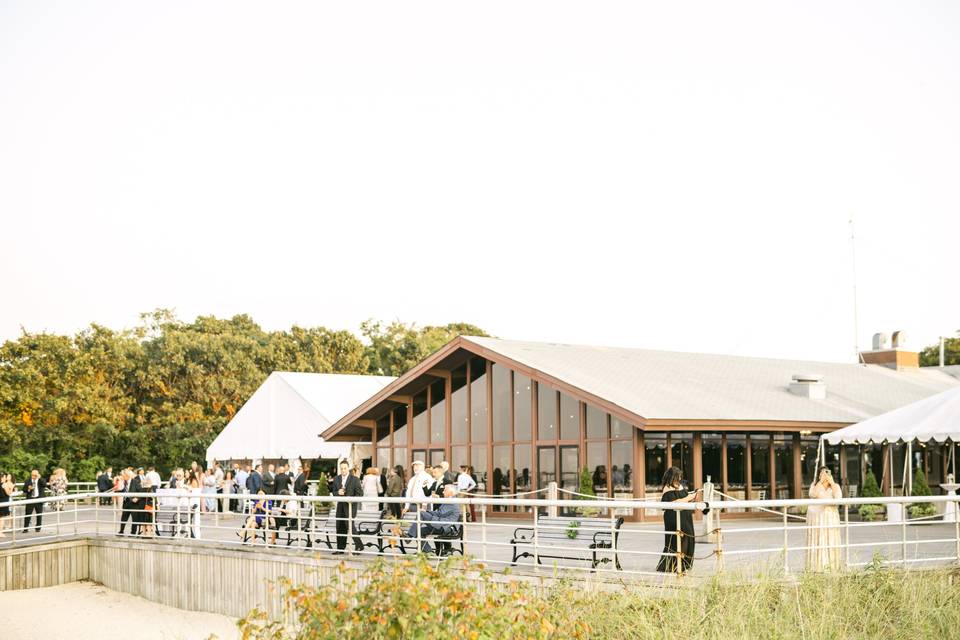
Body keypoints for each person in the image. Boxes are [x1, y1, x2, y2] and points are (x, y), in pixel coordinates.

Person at [655, 466, 701, 575]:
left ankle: (683, 564)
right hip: (673, 517)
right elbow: (675, 502)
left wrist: (693, 495)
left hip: (685, 515)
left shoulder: (680, 486)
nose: (680, 478)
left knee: (688, 537)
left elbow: (685, 499)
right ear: (672, 476)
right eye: (678, 476)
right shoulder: (667, 487)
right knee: (677, 539)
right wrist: (690, 497)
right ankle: (674, 565)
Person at [403, 484, 461, 555]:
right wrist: (427, 512)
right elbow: (438, 513)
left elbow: (440, 514)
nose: (443, 492)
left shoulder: (452, 502)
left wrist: (425, 513)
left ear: (451, 493)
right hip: (440, 524)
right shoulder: (448, 500)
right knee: (418, 531)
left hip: (444, 526)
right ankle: (428, 551)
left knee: (421, 514)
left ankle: (409, 536)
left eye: (445, 490)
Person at [806, 466, 843, 572]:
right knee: (818, 540)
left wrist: (832, 483)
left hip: (830, 518)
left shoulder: (835, 486)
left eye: (827, 473)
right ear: (819, 475)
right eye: (822, 473)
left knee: (831, 540)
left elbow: (838, 498)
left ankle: (832, 565)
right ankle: (816, 566)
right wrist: (820, 482)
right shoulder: (815, 485)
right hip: (817, 518)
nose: (825, 475)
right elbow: (812, 495)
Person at [330, 460, 363, 553]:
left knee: (349, 526)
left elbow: (360, 494)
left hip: (350, 507)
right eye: (341, 468)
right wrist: (337, 493)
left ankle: (359, 546)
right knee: (339, 526)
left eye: (345, 468)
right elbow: (333, 492)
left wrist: (351, 500)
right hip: (340, 507)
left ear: (348, 468)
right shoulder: (336, 479)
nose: (343, 470)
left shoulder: (355, 479)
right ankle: (340, 549)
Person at [0, 473, 15, 537]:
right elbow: (9, 493)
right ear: (2, 478)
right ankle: (0, 532)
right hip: (3, 502)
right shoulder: (4, 484)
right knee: (2, 518)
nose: (5, 478)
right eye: (5, 477)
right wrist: (11, 488)